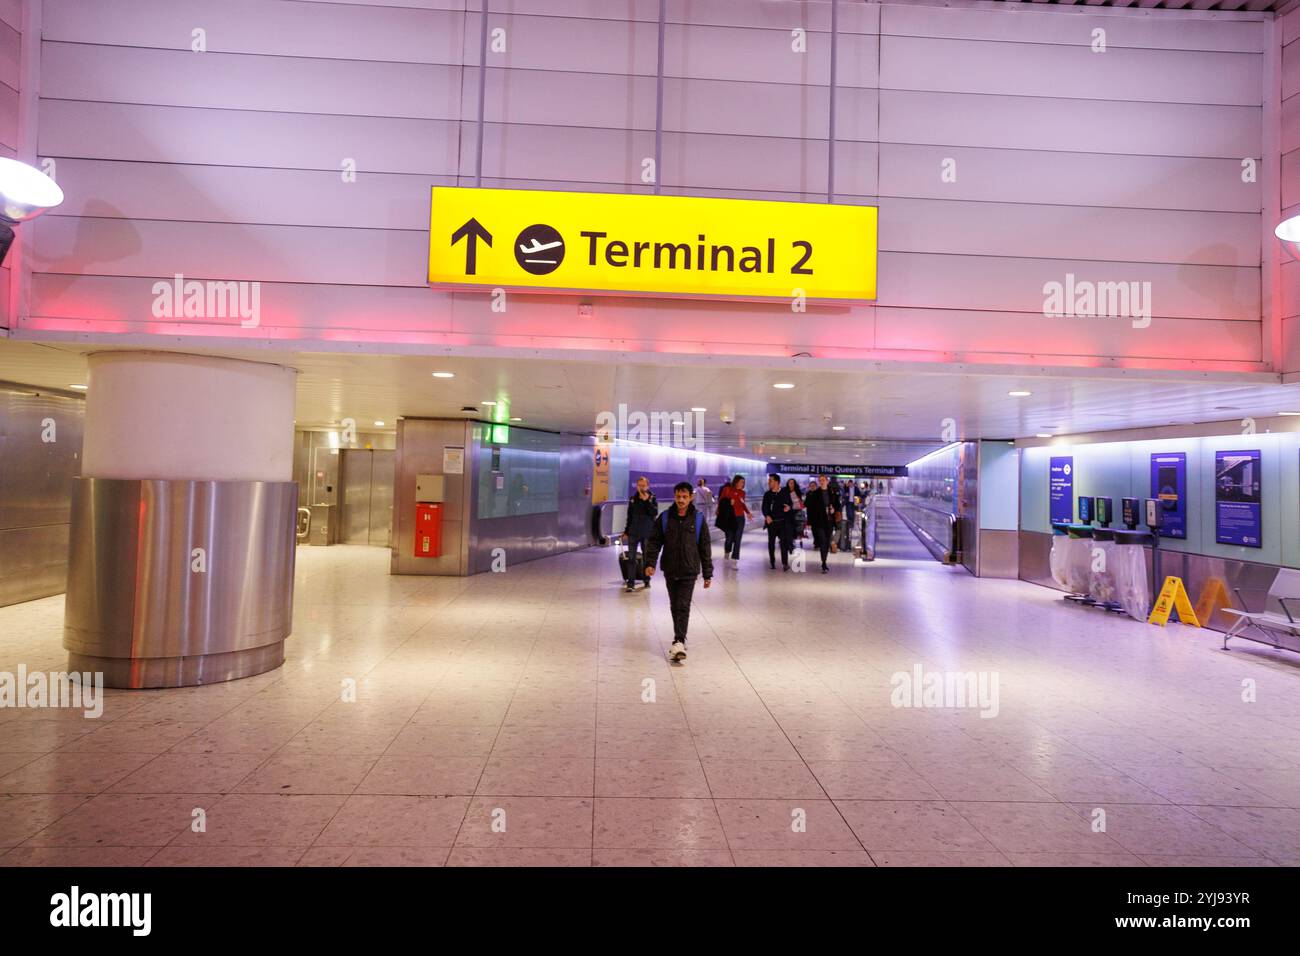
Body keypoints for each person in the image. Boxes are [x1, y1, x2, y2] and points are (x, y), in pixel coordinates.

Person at [645, 481, 713, 662]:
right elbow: (654, 541)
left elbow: (705, 547)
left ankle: (679, 640)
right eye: (678, 496)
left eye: (684, 497)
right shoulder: (665, 518)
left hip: (689, 570)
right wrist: (650, 563)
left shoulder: (698, 519)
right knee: (675, 605)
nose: (681, 500)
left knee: (683, 605)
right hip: (670, 568)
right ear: (674, 496)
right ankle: (680, 637)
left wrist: (708, 573)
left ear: (691, 497)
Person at [621, 476, 658, 592]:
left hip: (647, 533)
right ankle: (630, 583)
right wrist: (626, 531)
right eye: (639, 485)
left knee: (646, 557)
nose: (641, 487)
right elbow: (629, 517)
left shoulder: (652, 498)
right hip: (633, 532)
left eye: (643, 485)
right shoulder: (633, 499)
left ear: (648, 486)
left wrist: (646, 500)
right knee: (631, 558)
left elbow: (654, 513)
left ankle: (646, 580)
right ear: (636, 486)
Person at [804, 474, 841, 573]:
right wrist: (809, 522)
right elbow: (810, 508)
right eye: (820, 480)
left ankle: (824, 561)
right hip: (819, 521)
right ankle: (824, 562)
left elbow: (838, 505)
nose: (822, 481)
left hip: (829, 521)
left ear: (827, 481)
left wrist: (834, 510)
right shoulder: (815, 493)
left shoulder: (832, 493)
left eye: (823, 480)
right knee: (822, 541)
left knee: (827, 541)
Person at [761, 473, 795, 571]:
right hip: (771, 523)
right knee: (771, 543)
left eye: (770, 480)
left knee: (783, 543)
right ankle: (772, 561)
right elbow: (764, 507)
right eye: (769, 481)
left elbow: (791, 505)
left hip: (783, 522)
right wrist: (767, 515)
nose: (769, 482)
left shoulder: (785, 493)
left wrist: (789, 508)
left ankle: (785, 563)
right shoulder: (767, 494)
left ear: (776, 482)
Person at [723, 474, 752, 562]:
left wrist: (748, 513)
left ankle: (735, 559)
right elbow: (722, 503)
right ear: (736, 482)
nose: (742, 484)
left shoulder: (743, 493)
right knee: (729, 538)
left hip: (740, 518)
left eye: (743, 482)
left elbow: (742, 504)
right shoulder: (728, 490)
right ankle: (727, 550)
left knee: (738, 538)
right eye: (741, 482)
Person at [715, 476, 735, 556]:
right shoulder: (724, 500)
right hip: (726, 519)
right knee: (729, 535)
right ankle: (727, 551)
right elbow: (720, 501)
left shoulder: (733, 494)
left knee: (730, 536)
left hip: (731, 518)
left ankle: (727, 551)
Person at [786, 478, 806, 549]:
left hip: (797, 512)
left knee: (796, 528)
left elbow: (800, 502)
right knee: (789, 528)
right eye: (789, 483)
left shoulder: (797, 492)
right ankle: (790, 541)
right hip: (788, 513)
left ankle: (794, 539)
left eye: (792, 483)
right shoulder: (785, 491)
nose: (791, 484)